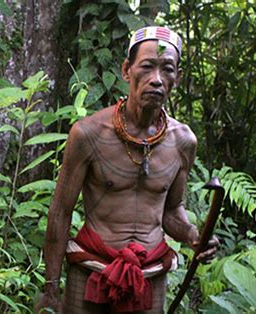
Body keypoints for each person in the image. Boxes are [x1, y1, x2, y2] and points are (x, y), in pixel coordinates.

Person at [37, 26, 219, 313]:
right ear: (126, 70)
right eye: (147, 67)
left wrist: (194, 236)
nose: (157, 80)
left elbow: (171, 211)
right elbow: (60, 211)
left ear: (177, 78)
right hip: (91, 269)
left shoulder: (183, 141)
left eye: (167, 69)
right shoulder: (89, 134)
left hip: (150, 273)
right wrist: (50, 287)